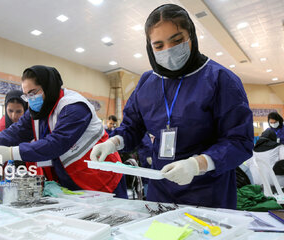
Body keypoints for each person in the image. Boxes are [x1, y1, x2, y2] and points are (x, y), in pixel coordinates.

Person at [90, 4, 253, 209]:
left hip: (208, 190)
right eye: (158, 45)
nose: (168, 51)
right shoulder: (148, 82)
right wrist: (112, 142)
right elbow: (133, 126)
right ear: (150, 47)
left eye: (176, 41)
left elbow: (240, 141)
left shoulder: (220, 79)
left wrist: (197, 164)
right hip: (161, 188)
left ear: (191, 36)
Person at [0, 65, 127, 198]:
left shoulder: (74, 107)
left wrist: (11, 153)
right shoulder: (38, 110)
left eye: (33, 92)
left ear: (48, 86)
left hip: (102, 178)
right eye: (26, 95)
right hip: (71, 181)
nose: (30, 99)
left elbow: (56, 144)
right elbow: (15, 132)